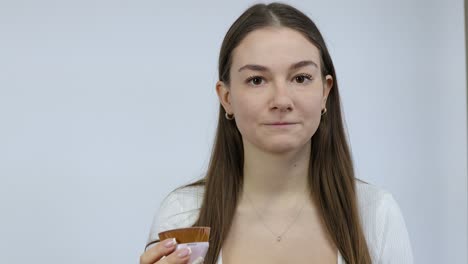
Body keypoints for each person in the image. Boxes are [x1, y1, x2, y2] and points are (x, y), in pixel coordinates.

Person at [139, 2, 414, 264]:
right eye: (257, 80)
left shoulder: (376, 214)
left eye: (301, 78)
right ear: (226, 98)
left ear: (325, 92)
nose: (281, 100)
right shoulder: (182, 215)